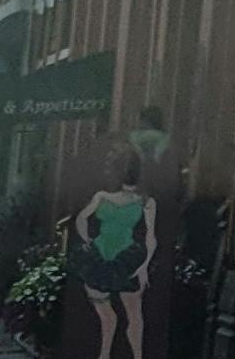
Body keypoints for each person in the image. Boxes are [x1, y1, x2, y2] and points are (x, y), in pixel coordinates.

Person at [71, 147, 157, 359]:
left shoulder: (105, 197)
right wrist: (145, 265)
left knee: (112, 314)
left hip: (106, 255)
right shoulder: (144, 201)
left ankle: (111, 355)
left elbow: (81, 218)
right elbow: (150, 238)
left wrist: (87, 240)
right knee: (132, 314)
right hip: (122, 257)